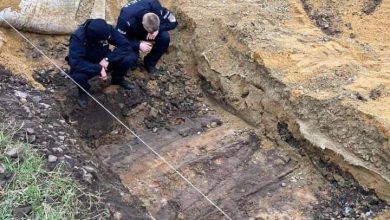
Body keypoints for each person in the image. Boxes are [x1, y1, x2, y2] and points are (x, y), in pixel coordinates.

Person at [67, 19, 137, 108]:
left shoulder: (106, 29)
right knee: (77, 76)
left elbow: (125, 45)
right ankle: (83, 91)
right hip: (88, 64)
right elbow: (76, 62)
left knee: (129, 57)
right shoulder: (78, 38)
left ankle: (117, 79)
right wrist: (98, 68)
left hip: (105, 60)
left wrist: (108, 59)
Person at [116, 0, 178, 74]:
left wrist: (158, 29)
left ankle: (150, 63)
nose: (152, 33)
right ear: (143, 23)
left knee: (165, 37)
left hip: (149, 30)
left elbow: (174, 22)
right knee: (132, 59)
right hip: (130, 34)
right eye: (150, 31)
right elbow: (118, 39)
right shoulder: (125, 17)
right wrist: (138, 45)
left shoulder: (156, 7)